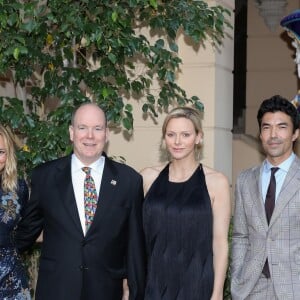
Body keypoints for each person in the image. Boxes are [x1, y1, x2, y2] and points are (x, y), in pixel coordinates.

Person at [15, 103, 146, 300]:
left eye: (97, 128)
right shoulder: (45, 177)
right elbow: (26, 232)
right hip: (56, 290)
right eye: (82, 127)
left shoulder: (129, 181)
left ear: (107, 133)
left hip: (106, 292)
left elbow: (135, 246)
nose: (90, 136)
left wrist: (136, 293)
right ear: (71, 132)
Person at [140, 106, 231, 300]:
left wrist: (217, 293)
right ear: (164, 139)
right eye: (171, 134)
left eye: (186, 134)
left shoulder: (217, 182)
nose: (177, 141)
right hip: (153, 285)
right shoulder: (147, 179)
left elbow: (220, 243)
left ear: (199, 137)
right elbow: (135, 239)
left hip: (198, 286)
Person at [231, 95, 300, 299]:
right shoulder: (245, 179)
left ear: (295, 133)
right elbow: (240, 236)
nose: (273, 135)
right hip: (252, 289)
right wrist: (237, 278)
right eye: (266, 127)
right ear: (260, 134)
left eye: (282, 127)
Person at [0, 125, 31, 299]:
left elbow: (29, 228)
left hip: (12, 280)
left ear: (8, 154)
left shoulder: (18, 188)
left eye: (0, 152)